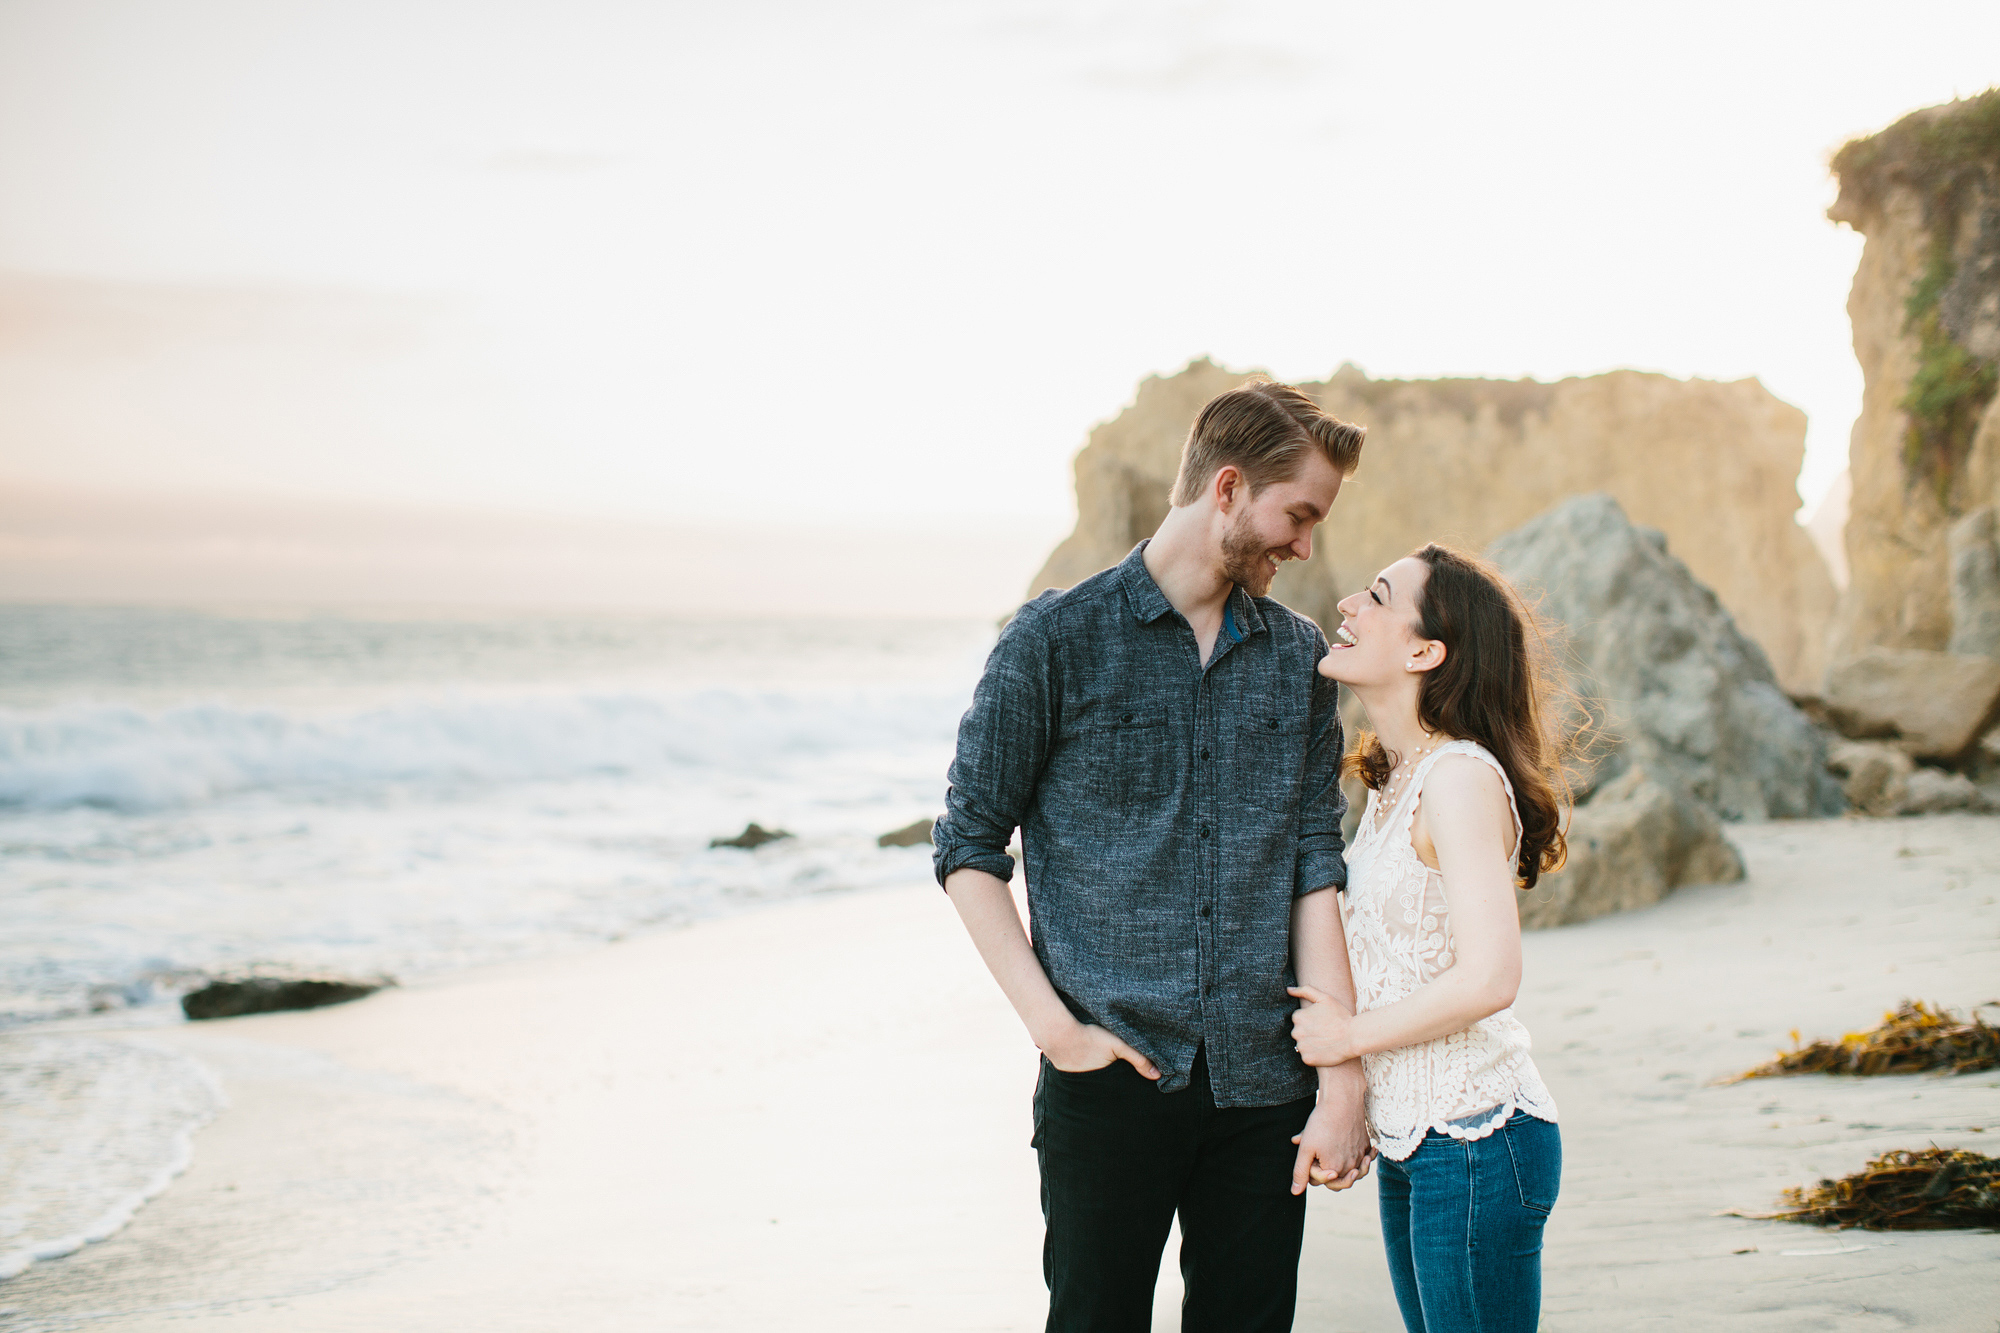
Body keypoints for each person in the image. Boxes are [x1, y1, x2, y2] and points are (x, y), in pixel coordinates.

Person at [932, 379, 1371, 1333]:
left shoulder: (1298, 659)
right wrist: (1057, 1034)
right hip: (1107, 1079)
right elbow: (968, 843)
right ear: (1226, 487)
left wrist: (1342, 1076)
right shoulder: (1055, 640)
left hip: (1265, 1086)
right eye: (1296, 515)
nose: (1304, 545)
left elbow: (1313, 861)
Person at [1290, 543, 1567, 1333]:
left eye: (1376, 596)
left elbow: (1490, 977)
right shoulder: (1398, 779)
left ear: (1425, 650)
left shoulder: (1459, 777)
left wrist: (1346, 1036)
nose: (1347, 603)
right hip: (1420, 1140)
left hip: (1478, 1137)